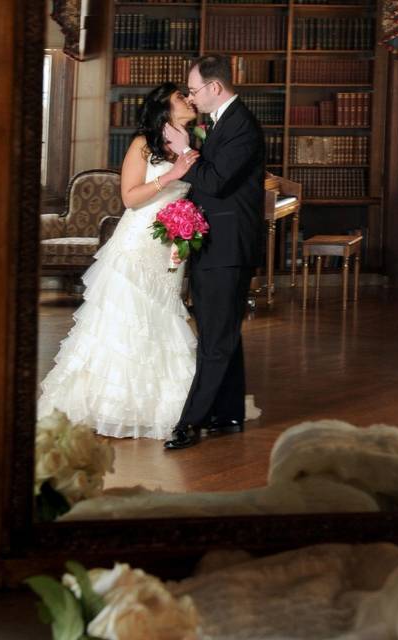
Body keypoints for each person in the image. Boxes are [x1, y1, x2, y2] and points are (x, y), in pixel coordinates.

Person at [37, 83, 204, 439]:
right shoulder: (144, 144)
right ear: (164, 106)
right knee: (125, 322)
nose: (189, 100)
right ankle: (110, 405)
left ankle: (163, 405)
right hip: (136, 245)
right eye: (180, 97)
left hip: (170, 246)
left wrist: (187, 225)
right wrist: (172, 176)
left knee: (162, 316)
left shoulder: (193, 142)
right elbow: (129, 198)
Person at [164, 55, 266, 450]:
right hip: (215, 243)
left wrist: (186, 151)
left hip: (229, 246)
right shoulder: (224, 121)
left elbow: (218, 183)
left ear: (215, 88)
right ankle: (228, 412)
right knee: (219, 331)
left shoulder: (242, 126)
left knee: (215, 339)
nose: (191, 98)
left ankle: (190, 422)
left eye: (193, 91)